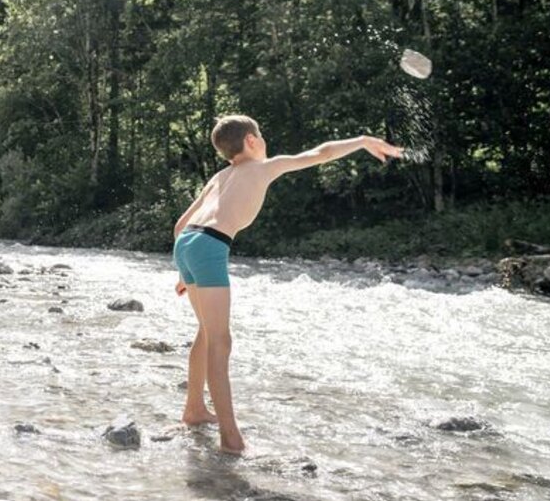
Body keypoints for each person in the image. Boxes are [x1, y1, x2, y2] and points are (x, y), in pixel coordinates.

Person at [172, 115, 402, 454]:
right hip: (209, 246)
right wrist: (363, 140)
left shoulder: (219, 177)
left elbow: (180, 224)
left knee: (206, 334)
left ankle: (194, 410)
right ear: (251, 141)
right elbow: (319, 153)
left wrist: (182, 271)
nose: (264, 141)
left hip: (187, 243)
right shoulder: (263, 167)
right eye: (261, 136)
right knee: (221, 342)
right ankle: (230, 438)